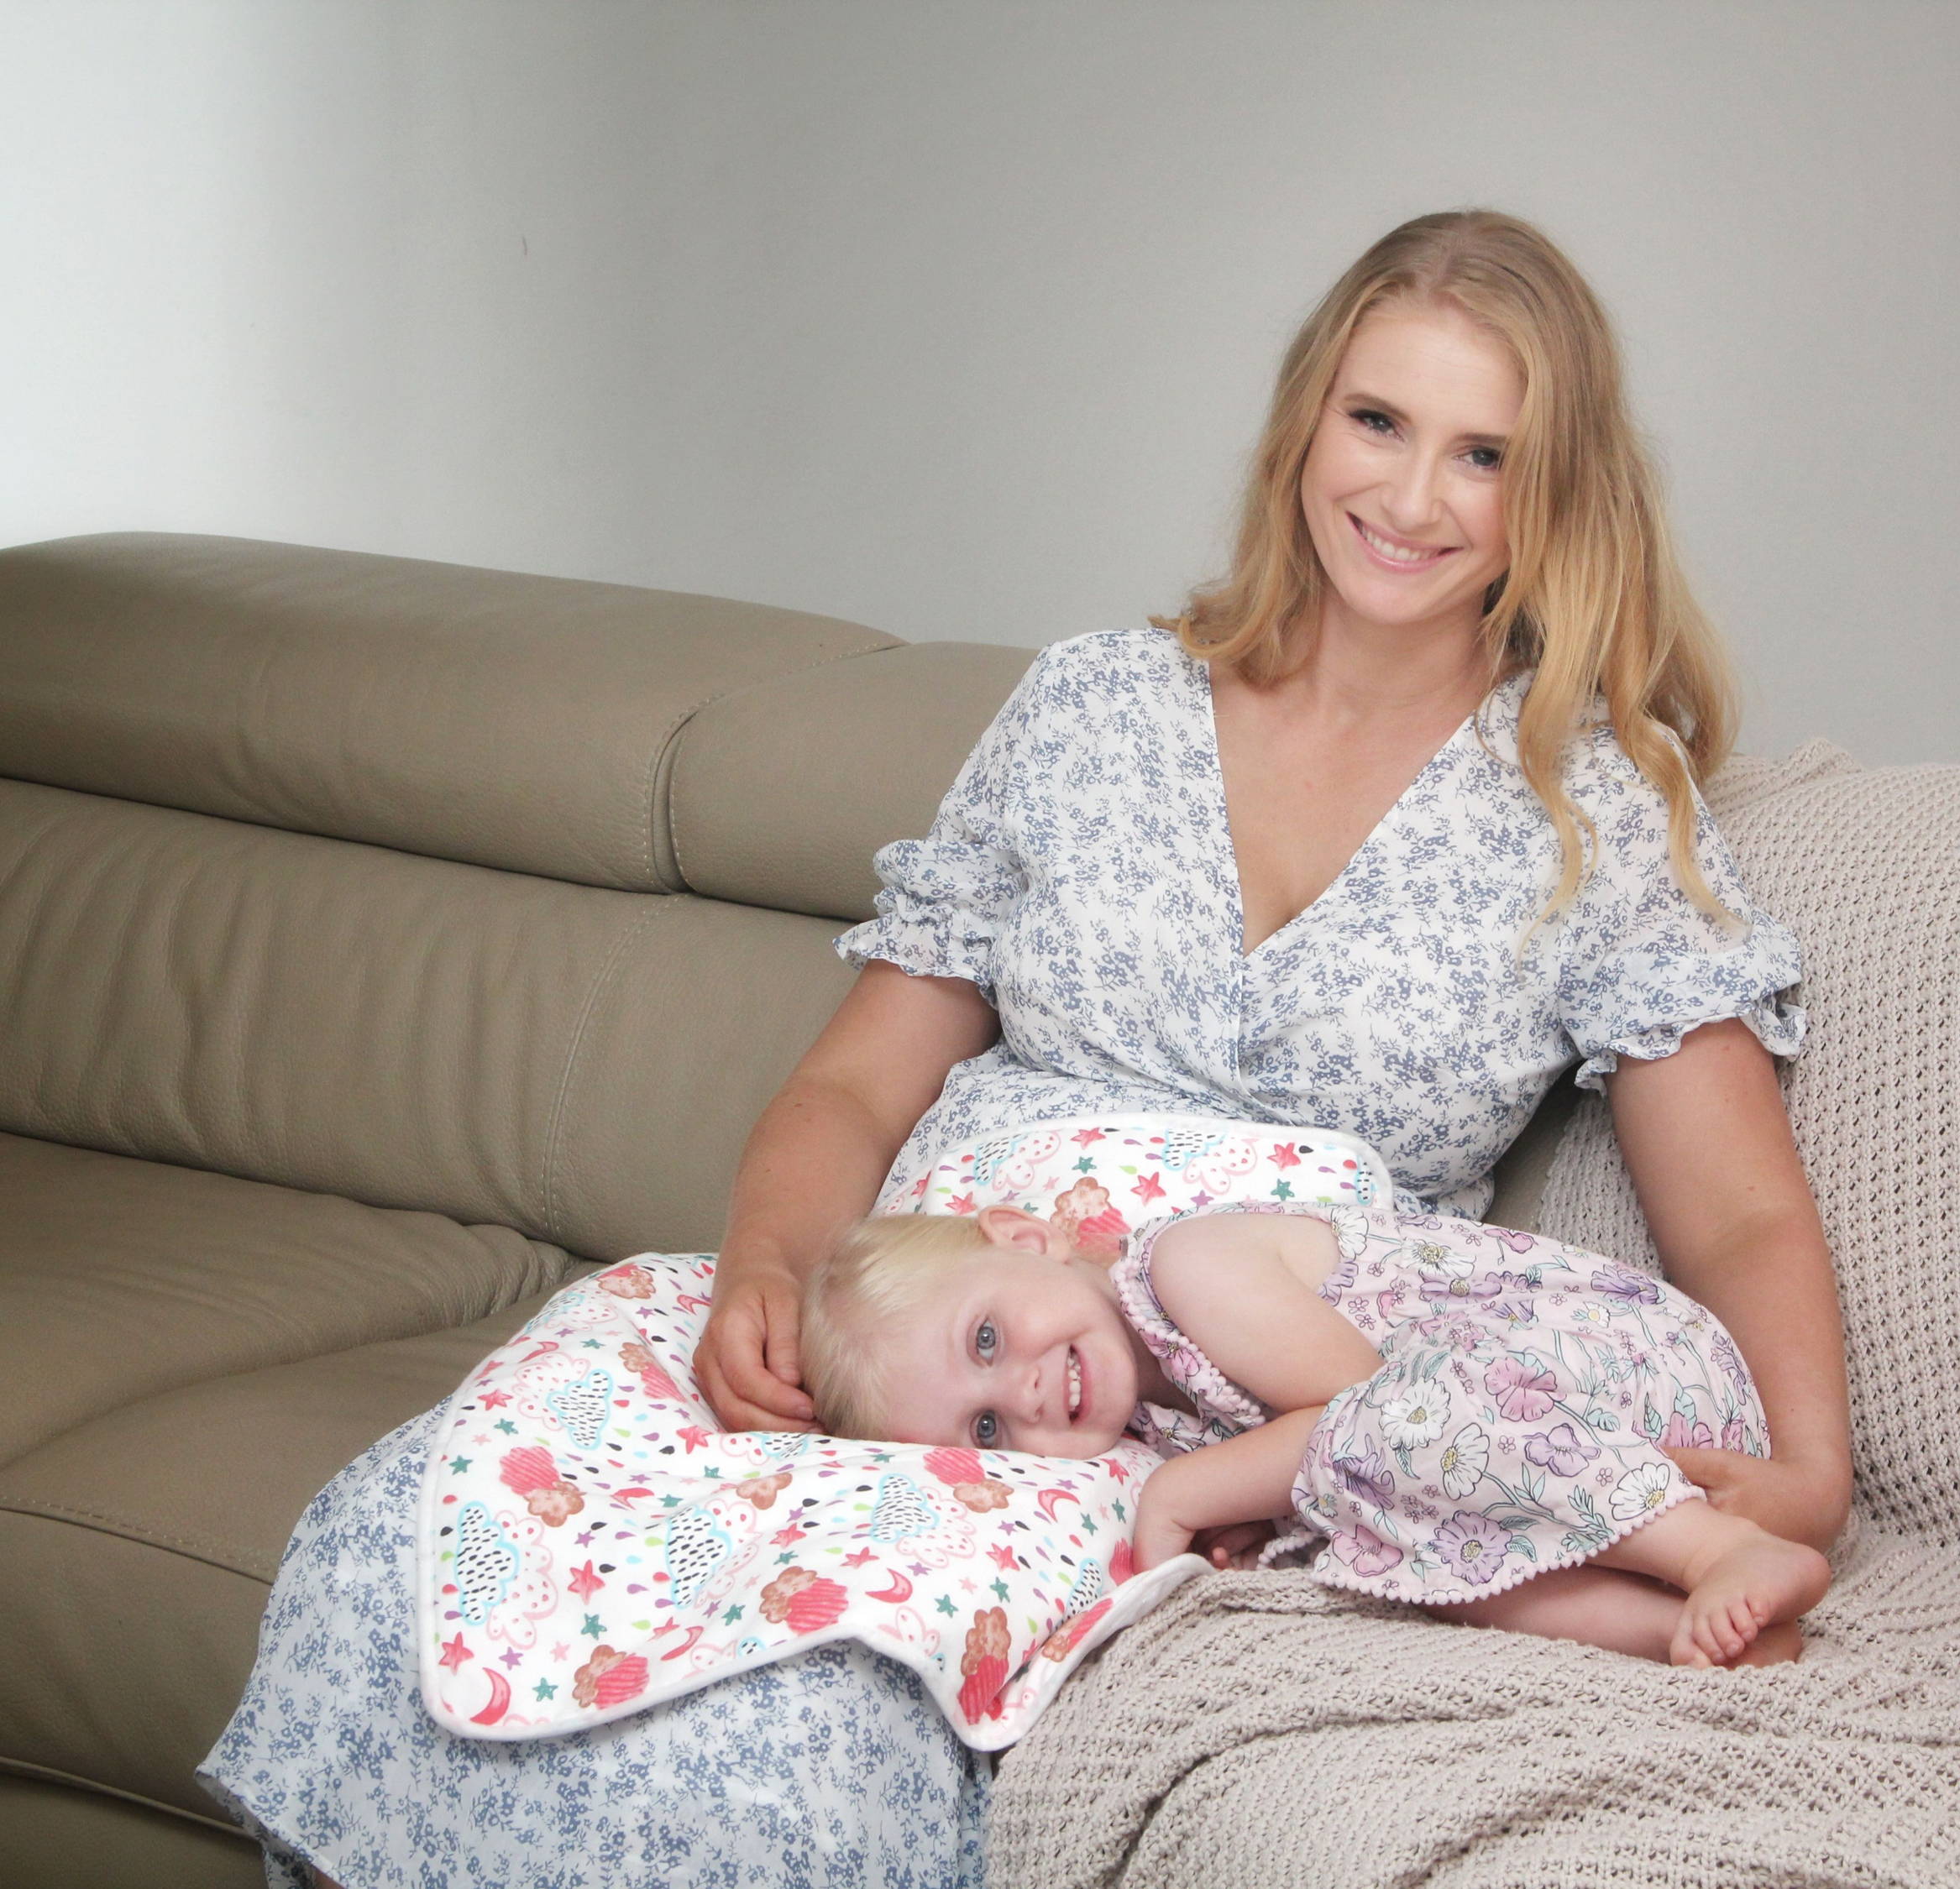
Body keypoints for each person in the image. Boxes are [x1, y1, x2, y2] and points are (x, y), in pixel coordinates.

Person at [203, 207, 1850, 1888]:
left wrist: (1807, 1475)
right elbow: (859, 1077)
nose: (1413, 497)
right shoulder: (1091, 709)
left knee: (794, 1705)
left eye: (1482, 454)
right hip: (934, 1328)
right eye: (1378, 421)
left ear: (1554, 493)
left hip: (1164, 1415)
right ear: (1306, 423)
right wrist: (768, 1270)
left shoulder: (1589, 803)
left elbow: (1736, 1212)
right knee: (417, 1539)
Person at [799, 1203, 1833, 1668]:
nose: (1024, 1391)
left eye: (987, 1335)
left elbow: (1360, 1404)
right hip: (1528, 1452)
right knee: (1388, 1551)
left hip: (1632, 1364)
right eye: (986, 1427)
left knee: (1395, 1451)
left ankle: (1719, 1549)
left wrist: (1186, 1494)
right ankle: (1690, 1632)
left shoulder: (1186, 1265)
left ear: (1025, 1237)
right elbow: (1361, 1468)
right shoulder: (1149, 1416)